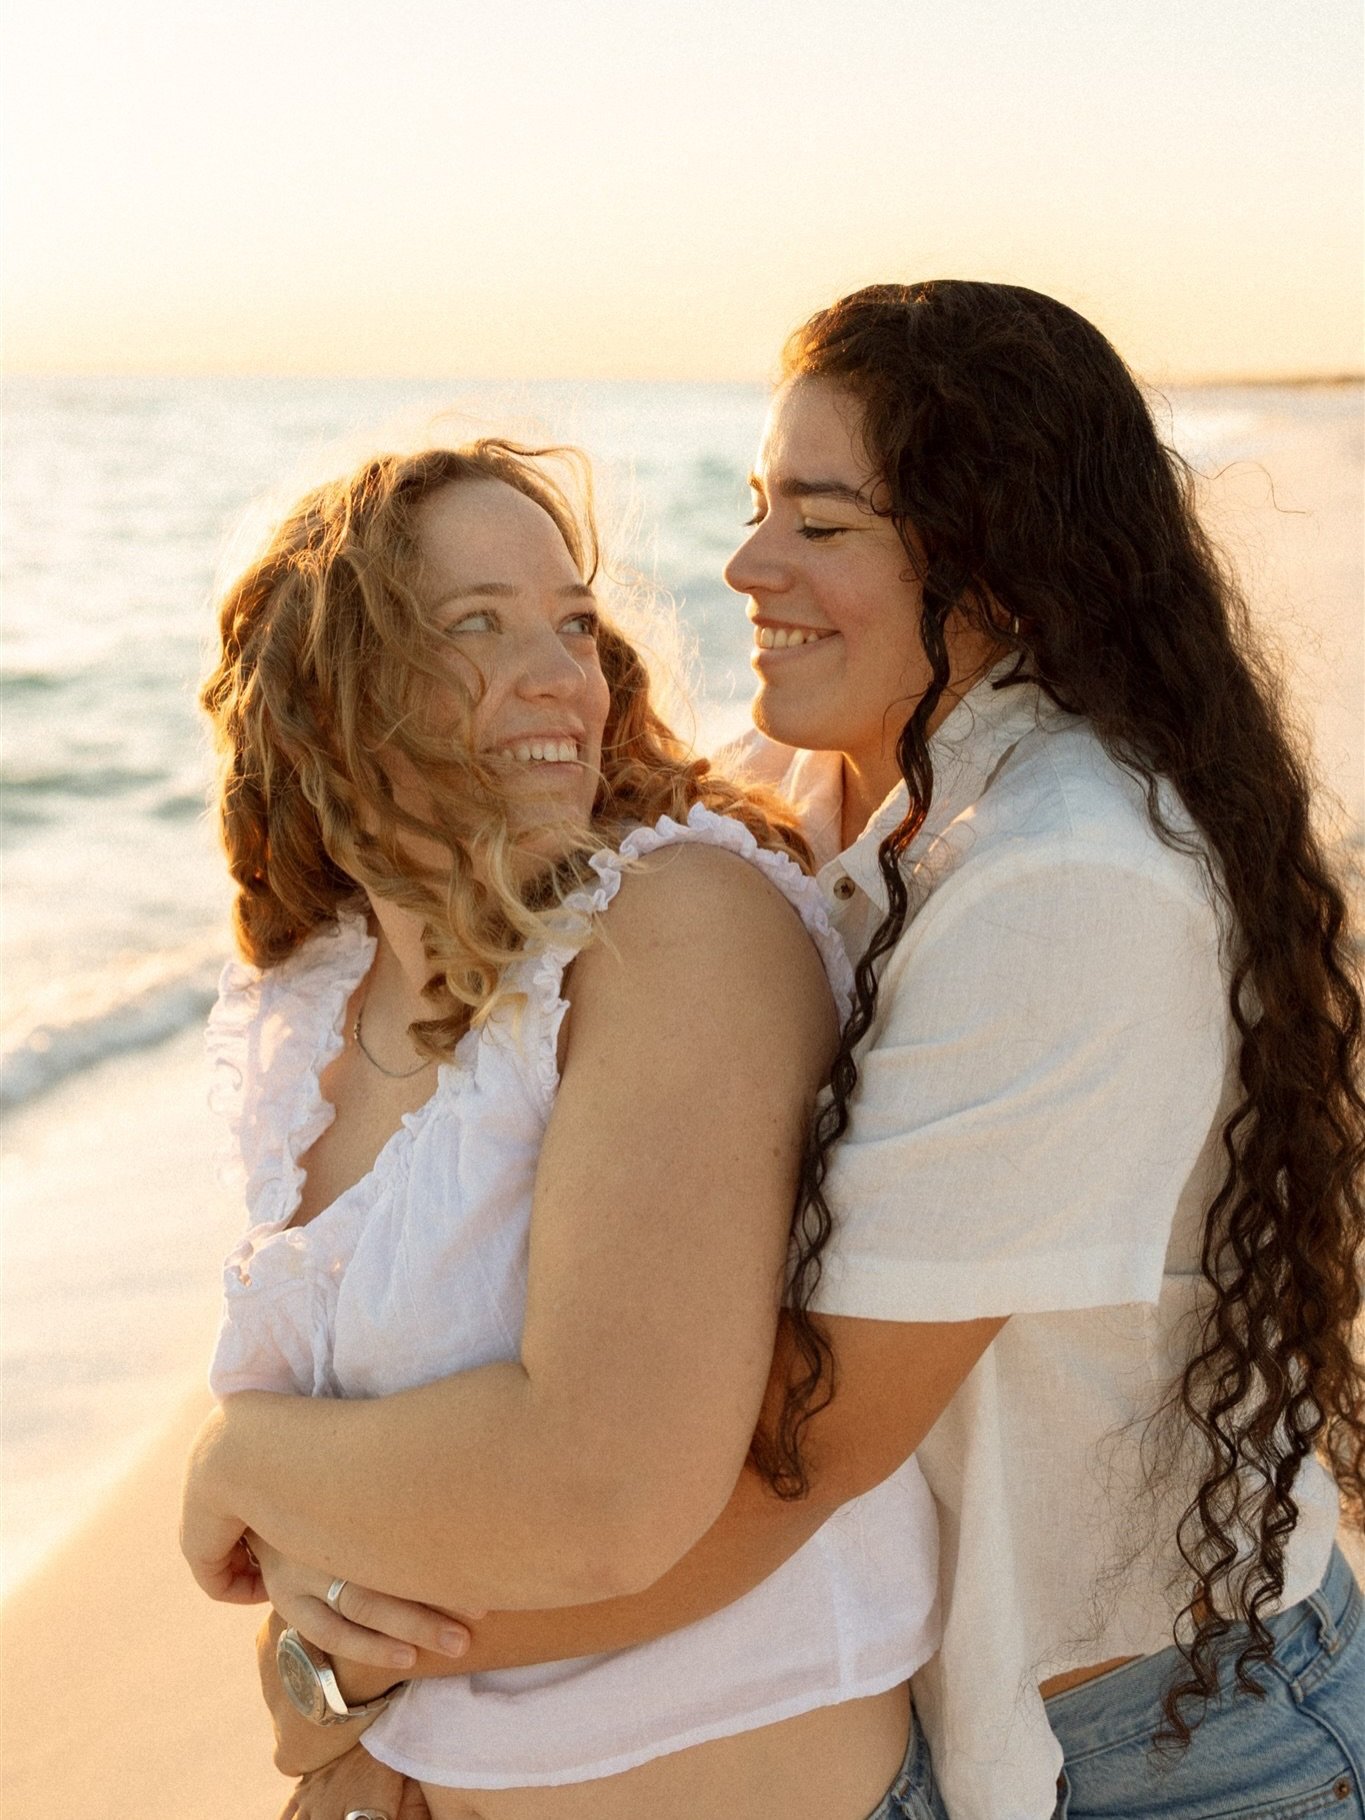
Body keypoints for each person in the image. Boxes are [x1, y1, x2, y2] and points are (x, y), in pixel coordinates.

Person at [191, 282, 1365, 1820]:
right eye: (755, 507)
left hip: (1176, 1740)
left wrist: (345, 1656)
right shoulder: (830, 780)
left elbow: (792, 1466)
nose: (745, 566)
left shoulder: (1067, 883)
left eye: (820, 522)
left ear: (997, 556)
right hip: (964, 1708)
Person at [185, 438, 943, 1820]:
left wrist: (240, 1461)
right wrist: (324, 1696)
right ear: (324, 687)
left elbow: (601, 1494)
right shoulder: (313, 997)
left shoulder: (675, 930)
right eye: (475, 624)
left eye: (573, 622)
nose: (560, 674)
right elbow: (333, 1590)